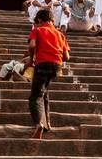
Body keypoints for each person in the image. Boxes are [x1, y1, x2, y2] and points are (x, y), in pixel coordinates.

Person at [25, 8, 70, 139]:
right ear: (52, 20)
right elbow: (67, 56)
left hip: (42, 64)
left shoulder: (37, 30)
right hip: (56, 66)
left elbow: (32, 45)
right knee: (44, 92)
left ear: (39, 20)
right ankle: (47, 122)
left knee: (35, 96)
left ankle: (39, 124)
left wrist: (31, 58)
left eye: (36, 22)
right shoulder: (60, 34)